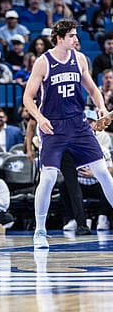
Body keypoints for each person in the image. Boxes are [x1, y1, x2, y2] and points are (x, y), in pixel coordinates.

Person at [22, 19, 113, 249]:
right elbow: (27, 97)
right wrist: (40, 118)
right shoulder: (43, 63)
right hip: (53, 127)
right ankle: (40, 230)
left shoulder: (80, 58)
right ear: (59, 38)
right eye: (72, 36)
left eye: (76, 35)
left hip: (78, 123)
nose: (76, 39)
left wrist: (101, 107)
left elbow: (92, 89)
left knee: (102, 171)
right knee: (50, 177)